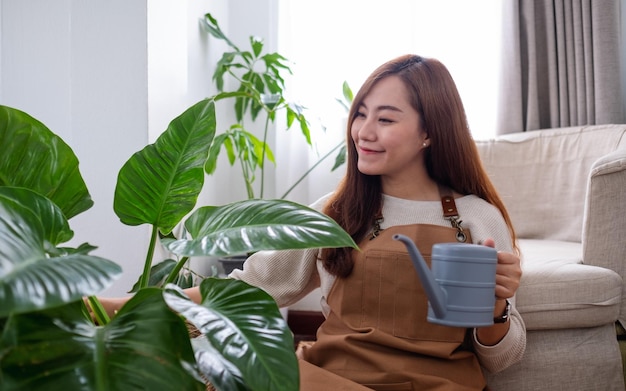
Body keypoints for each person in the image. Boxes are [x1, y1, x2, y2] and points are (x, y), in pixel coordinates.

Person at [99, 54, 526, 390]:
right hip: (329, 380)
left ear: (429, 132)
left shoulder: (474, 218)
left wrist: (495, 311)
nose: (363, 131)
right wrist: (127, 308)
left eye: (386, 119)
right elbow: (249, 288)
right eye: (360, 113)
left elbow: (502, 359)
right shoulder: (337, 211)